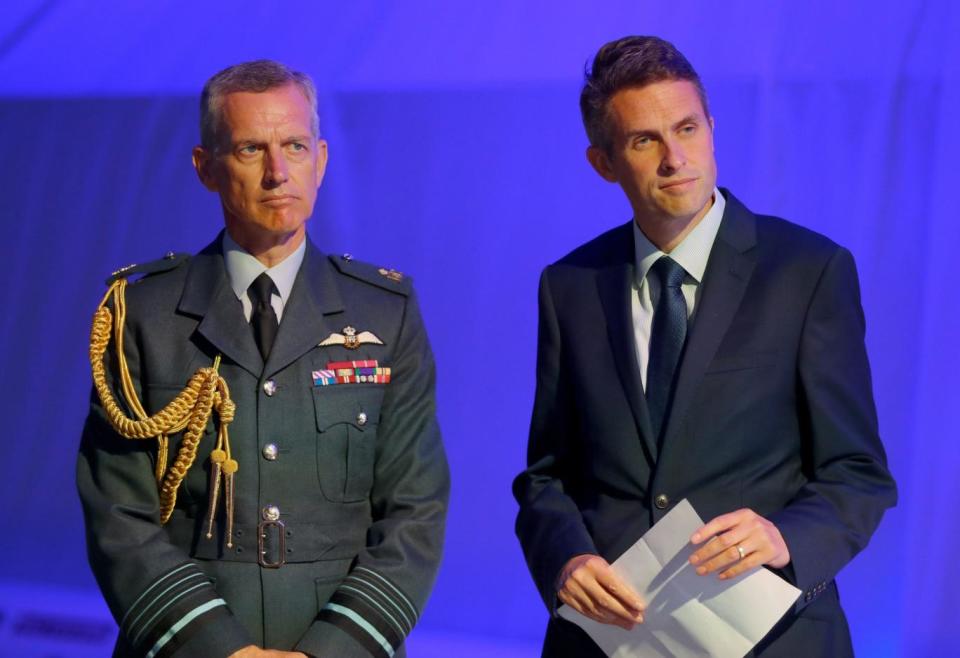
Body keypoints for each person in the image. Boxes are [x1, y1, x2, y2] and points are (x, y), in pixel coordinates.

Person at [513, 36, 896, 657]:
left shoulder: (808, 270)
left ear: (712, 128)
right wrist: (566, 559)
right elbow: (545, 477)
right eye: (645, 140)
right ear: (603, 163)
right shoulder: (569, 286)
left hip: (771, 639)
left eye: (687, 128)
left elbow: (858, 475)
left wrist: (784, 536)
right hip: (612, 643)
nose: (675, 158)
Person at [77, 60, 449, 658]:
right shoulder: (142, 315)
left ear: (321, 159)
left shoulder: (385, 310)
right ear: (206, 169)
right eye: (251, 149)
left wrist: (331, 649)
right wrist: (221, 649)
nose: (278, 173)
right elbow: (118, 514)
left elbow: (415, 511)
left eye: (295, 146)